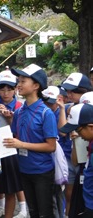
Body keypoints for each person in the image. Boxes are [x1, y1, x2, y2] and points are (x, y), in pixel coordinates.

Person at [4, 64, 58, 218]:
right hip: (24, 169)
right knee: (33, 211)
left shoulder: (46, 113)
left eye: (23, 81)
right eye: (18, 81)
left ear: (36, 86)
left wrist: (21, 145)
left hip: (42, 172)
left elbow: (51, 146)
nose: (18, 85)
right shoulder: (19, 111)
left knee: (45, 213)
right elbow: (15, 137)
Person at [0, 70, 27, 218]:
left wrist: (11, 119)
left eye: (9, 89)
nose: (5, 93)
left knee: (11, 186)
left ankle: (11, 213)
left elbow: (21, 133)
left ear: (15, 89)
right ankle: (1, 206)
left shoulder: (19, 106)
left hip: (11, 150)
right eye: (2, 89)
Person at [60, 72, 91, 218]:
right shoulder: (69, 108)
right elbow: (63, 132)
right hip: (76, 162)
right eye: (68, 91)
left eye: (73, 91)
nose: (69, 94)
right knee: (72, 197)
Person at [42, 85, 70, 218]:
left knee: (59, 193)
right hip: (46, 158)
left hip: (60, 159)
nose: (49, 106)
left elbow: (63, 131)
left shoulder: (60, 111)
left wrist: (62, 107)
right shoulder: (42, 112)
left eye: (51, 103)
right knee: (50, 194)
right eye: (46, 102)